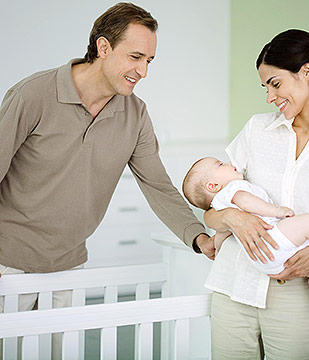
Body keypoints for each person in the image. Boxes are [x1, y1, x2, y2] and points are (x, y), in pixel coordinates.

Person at [0, 3, 213, 358]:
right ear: (103, 48)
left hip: (68, 265)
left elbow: (158, 186)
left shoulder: (135, 114)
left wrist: (199, 236)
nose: (143, 70)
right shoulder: (32, 96)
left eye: (149, 60)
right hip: (7, 261)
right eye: (136, 57)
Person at [203, 29, 309, 359]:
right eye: (265, 87)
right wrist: (232, 217)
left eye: (275, 83)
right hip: (233, 288)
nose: (269, 97)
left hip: (300, 297)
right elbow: (212, 209)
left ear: (306, 71)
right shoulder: (257, 130)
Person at [183, 156, 309, 318]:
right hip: (273, 240)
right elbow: (246, 202)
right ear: (212, 186)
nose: (229, 163)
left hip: (262, 260)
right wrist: (276, 211)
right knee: (308, 222)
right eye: (220, 164)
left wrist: (217, 249)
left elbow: (222, 234)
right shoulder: (233, 189)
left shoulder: (221, 206)